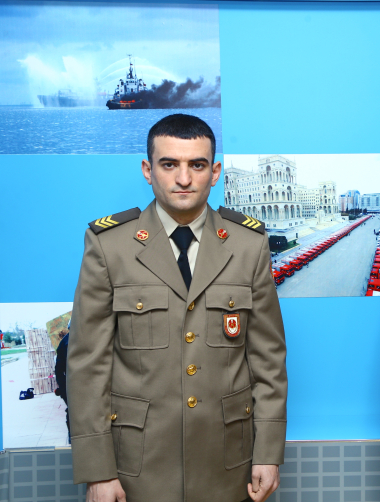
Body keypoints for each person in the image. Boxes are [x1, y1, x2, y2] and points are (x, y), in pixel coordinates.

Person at [67, 114, 287, 502]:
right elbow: (88, 366)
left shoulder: (248, 244)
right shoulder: (109, 245)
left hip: (228, 466)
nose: (183, 178)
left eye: (197, 165)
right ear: (147, 170)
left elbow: (267, 360)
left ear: (214, 172)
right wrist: (98, 471)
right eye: (169, 164)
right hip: (136, 470)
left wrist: (268, 452)